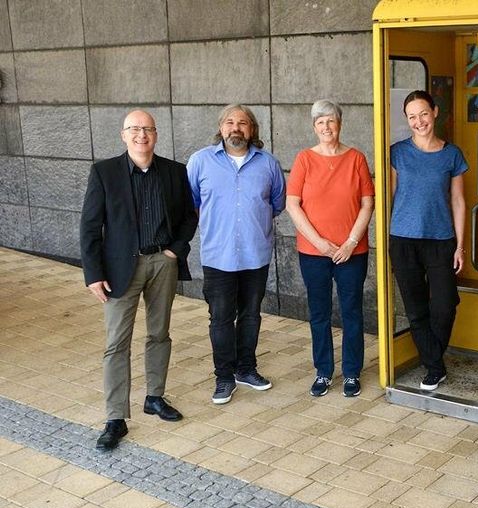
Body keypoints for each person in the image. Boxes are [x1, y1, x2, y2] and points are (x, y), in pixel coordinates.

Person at [79, 110, 197, 450]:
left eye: (146, 129)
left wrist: (175, 250)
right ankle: (116, 417)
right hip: (119, 269)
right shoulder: (104, 173)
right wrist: (93, 273)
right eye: (134, 129)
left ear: (156, 134)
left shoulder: (175, 172)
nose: (141, 135)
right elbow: (90, 226)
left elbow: (189, 216)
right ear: (123, 135)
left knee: (159, 334)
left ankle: (154, 397)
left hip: (163, 262)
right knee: (117, 342)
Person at [187, 104, 286, 405]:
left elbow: (277, 204)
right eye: (230, 122)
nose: (236, 128)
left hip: (256, 256)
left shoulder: (268, 164)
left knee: (251, 315)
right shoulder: (201, 161)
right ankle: (224, 378)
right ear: (221, 128)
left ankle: (246, 369)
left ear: (252, 130)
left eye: (243, 123)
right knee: (220, 319)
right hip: (218, 257)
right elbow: (191, 202)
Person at [286, 100, 374, 398]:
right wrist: (320, 243)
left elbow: (367, 203)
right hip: (313, 253)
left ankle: (351, 372)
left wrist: (350, 242)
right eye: (320, 122)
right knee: (319, 312)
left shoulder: (356, 158)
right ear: (314, 127)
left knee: (352, 312)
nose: (326, 127)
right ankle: (323, 371)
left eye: (331, 121)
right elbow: (292, 204)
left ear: (340, 123)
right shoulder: (304, 160)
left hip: (352, 252)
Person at [389, 90, 468, 391]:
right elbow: (390, 196)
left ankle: (432, 360)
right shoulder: (397, 152)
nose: (419, 121)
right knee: (415, 309)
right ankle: (435, 367)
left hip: (441, 239)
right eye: (412, 117)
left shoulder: (452, 155)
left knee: (445, 304)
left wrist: (460, 245)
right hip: (403, 239)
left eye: (423, 113)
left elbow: (458, 201)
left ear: (435, 112)